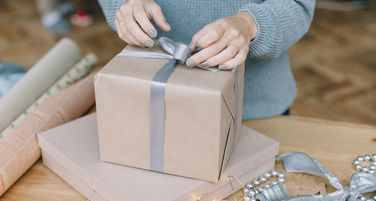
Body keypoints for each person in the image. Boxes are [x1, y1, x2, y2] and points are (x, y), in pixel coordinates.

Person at [97, 0, 315, 120]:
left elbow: (298, 5)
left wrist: (249, 24)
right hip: (153, 101)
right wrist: (122, 5)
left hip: (255, 110)